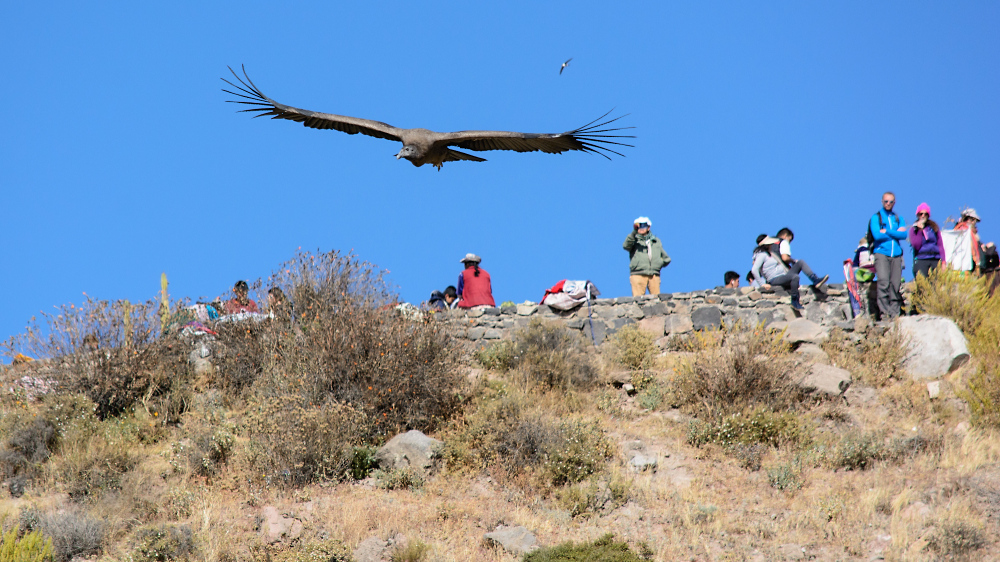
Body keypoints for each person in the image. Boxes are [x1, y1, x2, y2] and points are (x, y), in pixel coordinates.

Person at [869, 191, 908, 320]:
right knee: (883, 282)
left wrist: (887, 231)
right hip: (881, 253)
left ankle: (895, 313)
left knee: (895, 284)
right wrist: (895, 233)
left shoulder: (898, 218)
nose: (888, 204)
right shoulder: (876, 217)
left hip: (896, 255)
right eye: (886, 201)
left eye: (891, 202)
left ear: (894, 203)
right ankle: (885, 313)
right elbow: (877, 235)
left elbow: (903, 235)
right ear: (882, 201)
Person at [750, 234, 805, 310]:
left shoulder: (770, 254)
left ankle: (815, 279)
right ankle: (795, 302)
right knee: (795, 277)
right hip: (774, 279)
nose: (772, 245)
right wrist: (762, 284)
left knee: (800, 263)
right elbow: (754, 269)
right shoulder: (762, 255)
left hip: (781, 276)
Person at [623, 216, 671, 297]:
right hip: (638, 274)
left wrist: (658, 264)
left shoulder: (656, 241)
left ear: (648, 227)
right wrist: (634, 232)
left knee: (657, 301)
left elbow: (666, 258)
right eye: (638, 226)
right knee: (638, 301)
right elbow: (626, 246)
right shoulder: (634, 240)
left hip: (653, 275)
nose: (641, 228)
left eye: (643, 225)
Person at [907, 202, 946, 279]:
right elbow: (916, 245)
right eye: (921, 214)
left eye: (925, 214)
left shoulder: (933, 228)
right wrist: (919, 231)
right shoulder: (913, 229)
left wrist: (943, 262)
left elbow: (940, 245)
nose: (923, 216)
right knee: (923, 283)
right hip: (922, 259)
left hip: (935, 259)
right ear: (918, 215)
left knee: (936, 284)